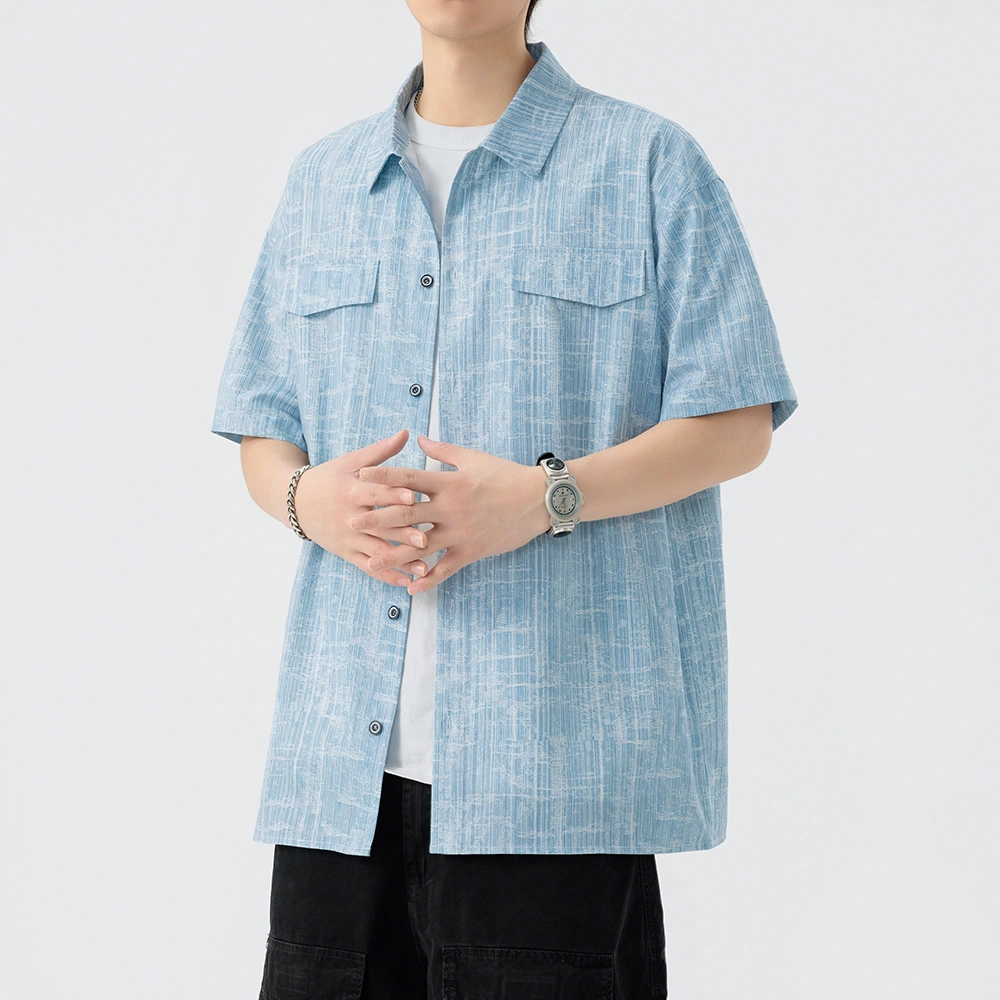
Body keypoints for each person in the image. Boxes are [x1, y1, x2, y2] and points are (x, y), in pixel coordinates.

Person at [211, 1, 798, 996]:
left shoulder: (646, 163)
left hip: (555, 770)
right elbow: (263, 424)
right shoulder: (323, 181)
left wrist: (545, 497)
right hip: (339, 778)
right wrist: (309, 500)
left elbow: (738, 420)